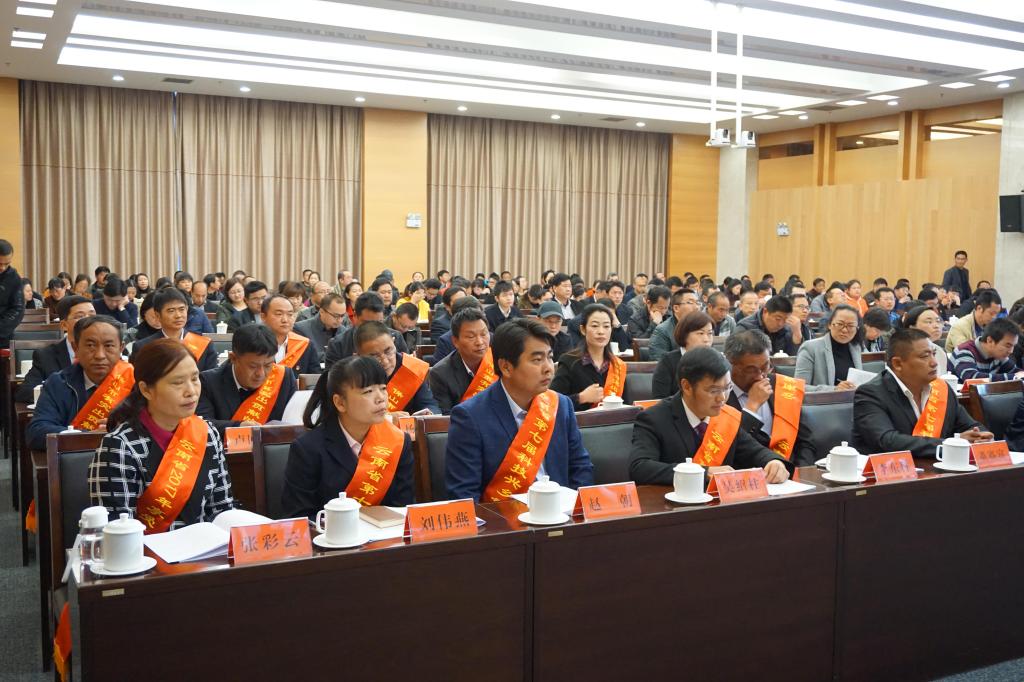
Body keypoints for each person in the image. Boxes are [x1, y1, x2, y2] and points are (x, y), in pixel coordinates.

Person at [89, 338, 235, 530]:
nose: (191, 391)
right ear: (146, 390)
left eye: (194, 378)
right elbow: (117, 530)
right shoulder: (119, 446)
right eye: (178, 383)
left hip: (205, 546)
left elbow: (222, 509)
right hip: (145, 548)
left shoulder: (207, 433)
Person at [445, 318, 593, 502]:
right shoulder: (470, 417)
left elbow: (581, 467)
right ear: (506, 367)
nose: (548, 368)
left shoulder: (560, 405)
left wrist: (576, 510)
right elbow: (464, 495)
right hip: (503, 517)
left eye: (550, 357)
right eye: (537, 360)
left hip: (561, 512)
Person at [629, 347, 791, 487]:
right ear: (687, 386)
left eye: (727, 388)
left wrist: (773, 462)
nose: (722, 398)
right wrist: (703, 472)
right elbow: (640, 467)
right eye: (713, 391)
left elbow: (754, 451)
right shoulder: (654, 418)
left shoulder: (726, 416)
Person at [282, 356, 414, 518]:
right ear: (340, 403)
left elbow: (402, 508)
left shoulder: (399, 441)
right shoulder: (308, 449)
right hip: (330, 533)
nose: (381, 398)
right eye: (368, 391)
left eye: (383, 388)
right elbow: (299, 516)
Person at [852, 328, 991, 459]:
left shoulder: (942, 389)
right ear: (898, 364)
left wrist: (980, 436)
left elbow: (971, 426)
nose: (934, 363)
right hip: (890, 472)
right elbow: (887, 440)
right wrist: (952, 444)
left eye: (933, 354)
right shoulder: (871, 393)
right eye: (925, 356)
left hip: (938, 469)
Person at [27, 316, 135, 450]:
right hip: (75, 459)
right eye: (90, 345)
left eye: (109, 346)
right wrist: (87, 435)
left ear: (121, 348)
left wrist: (122, 430)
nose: (100, 355)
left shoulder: (136, 381)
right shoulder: (58, 383)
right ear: (75, 348)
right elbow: (36, 432)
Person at [722, 330, 817, 467]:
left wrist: (799, 472)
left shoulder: (782, 387)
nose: (760, 376)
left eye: (765, 366)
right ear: (731, 364)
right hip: (744, 473)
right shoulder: (719, 396)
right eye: (751, 369)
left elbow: (805, 442)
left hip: (787, 471)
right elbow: (729, 448)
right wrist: (752, 407)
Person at [196, 324, 298, 433]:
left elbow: (296, 423)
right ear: (233, 358)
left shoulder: (284, 377)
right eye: (253, 366)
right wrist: (239, 426)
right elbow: (202, 425)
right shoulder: (208, 382)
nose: (260, 373)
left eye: (268, 365)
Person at [15, 295, 95, 403]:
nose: (89, 320)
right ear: (64, 325)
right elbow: (25, 392)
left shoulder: (106, 352)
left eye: (92, 315)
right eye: (80, 316)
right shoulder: (46, 356)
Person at [551, 304, 629, 410]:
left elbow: (626, 405)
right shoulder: (569, 361)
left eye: (606, 326)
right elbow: (552, 402)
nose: (601, 332)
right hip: (579, 420)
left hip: (613, 420)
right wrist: (580, 398)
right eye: (595, 326)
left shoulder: (617, 365)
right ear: (583, 329)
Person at [354, 321, 439, 415]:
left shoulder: (410, 367)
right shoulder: (352, 376)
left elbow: (429, 405)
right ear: (359, 356)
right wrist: (388, 418)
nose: (385, 361)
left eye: (388, 351)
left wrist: (429, 414)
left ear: (393, 342)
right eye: (375, 356)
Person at [130, 288, 219, 371]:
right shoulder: (143, 348)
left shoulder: (204, 345)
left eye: (181, 309)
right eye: (171, 311)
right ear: (158, 315)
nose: (178, 315)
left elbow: (209, 380)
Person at [428, 307, 494, 415]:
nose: (480, 342)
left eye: (483, 334)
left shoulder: (501, 361)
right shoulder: (440, 374)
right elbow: (445, 417)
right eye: (471, 337)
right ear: (455, 341)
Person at [324, 292, 409, 366]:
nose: (373, 329)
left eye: (378, 323)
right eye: (367, 323)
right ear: (355, 317)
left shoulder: (396, 338)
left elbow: (406, 371)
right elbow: (332, 378)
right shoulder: (338, 345)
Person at [795, 304, 864, 391]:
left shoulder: (856, 348)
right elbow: (799, 387)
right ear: (830, 324)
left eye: (850, 326)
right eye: (840, 324)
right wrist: (834, 389)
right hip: (824, 399)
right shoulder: (810, 348)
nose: (845, 330)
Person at [651, 311, 715, 399]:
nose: (706, 339)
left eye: (710, 333)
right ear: (685, 335)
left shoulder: (715, 360)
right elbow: (660, 399)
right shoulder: (668, 362)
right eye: (701, 333)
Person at [260, 294, 321, 374]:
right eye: (279, 314)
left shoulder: (304, 345)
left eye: (290, 314)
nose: (285, 320)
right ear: (263, 317)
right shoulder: (252, 344)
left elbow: (314, 378)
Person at [949, 319, 1024, 382]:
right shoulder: (965, 350)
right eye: (1008, 346)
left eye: (1013, 346)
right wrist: (1014, 377)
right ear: (990, 341)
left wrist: (1019, 375)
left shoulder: (998, 355)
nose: (1011, 351)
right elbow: (972, 378)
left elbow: (1016, 372)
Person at [736, 295, 803, 355]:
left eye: (785, 319)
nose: (781, 324)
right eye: (778, 319)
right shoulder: (745, 328)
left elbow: (794, 359)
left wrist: (797, 335)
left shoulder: (788, 327)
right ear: (765, 311)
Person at [293, 292, 346, 363]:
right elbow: (302, 357)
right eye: (336, 316)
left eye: (342, 316)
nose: (340, 320)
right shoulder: (301, 329)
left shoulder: (344, 332)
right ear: (322, 312)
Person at [648, 289, 699, 361]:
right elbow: (660, 362)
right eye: (690, 302)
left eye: (697, 303)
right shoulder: (662, 331)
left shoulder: (702, 327)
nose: (697, 307)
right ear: (676, 308)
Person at [903, 304, 949, 374]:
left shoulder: (940, 351)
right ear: (912, 327)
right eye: (929, 322)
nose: (936, 326)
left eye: (938, 321)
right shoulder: (904, 352)